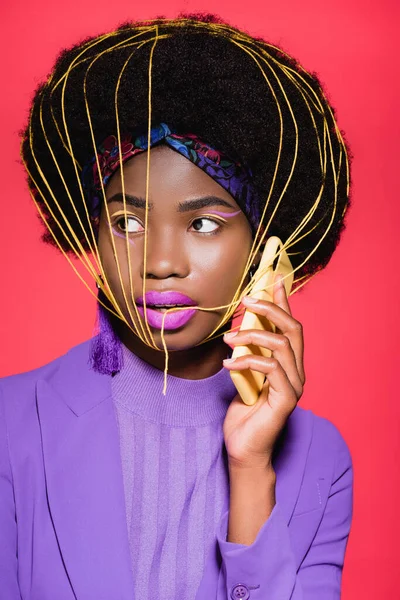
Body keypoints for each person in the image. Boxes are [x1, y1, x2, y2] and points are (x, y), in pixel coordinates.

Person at [0, 13, 354, 600]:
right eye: (127, 220)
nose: (161, 261)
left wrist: (250, 469)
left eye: (206, 222)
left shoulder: (319, 460)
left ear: (266, 245)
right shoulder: (10, 422)